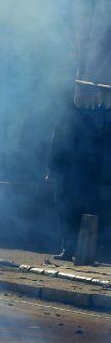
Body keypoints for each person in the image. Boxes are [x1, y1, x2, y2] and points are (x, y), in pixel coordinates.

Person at [47, 104, 102, 261]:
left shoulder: (64, 123)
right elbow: (97, 154)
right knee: (80, 214)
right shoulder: (90, 124)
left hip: (66, 178)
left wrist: (51, 171)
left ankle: (69, 249)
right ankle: (82, 251)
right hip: (83, 178)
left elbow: (54, 148)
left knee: (66, 215)